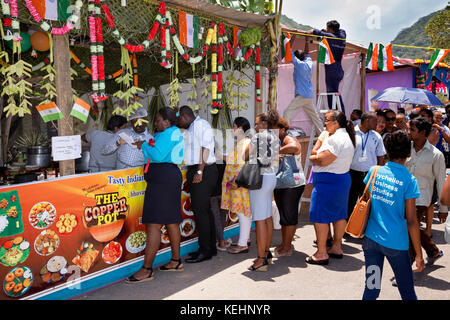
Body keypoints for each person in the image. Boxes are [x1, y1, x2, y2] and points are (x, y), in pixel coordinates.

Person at [362, 130, 424, 300]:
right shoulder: (409, 180)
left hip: (371, 241)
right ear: (409, 153)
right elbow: (411, 220)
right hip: (396, 245)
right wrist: (418, 254)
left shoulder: (374, 172)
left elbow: (366, 202)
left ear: (387, 151)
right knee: (407, 292)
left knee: (371, 288)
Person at [126, 107, 185, 283]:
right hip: (167, 178)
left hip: (162, 181)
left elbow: (158, 154)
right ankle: (175, 260)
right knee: (171, 221)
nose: (156, 123)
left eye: (159, 120)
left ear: (167, 121)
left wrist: (143, 145)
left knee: (153, 224)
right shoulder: (169, 132)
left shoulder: (169, 133)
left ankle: (146, 269)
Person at [306, 110, 355, 265]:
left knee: (319, 215)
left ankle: (321, 253)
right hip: (339, 180)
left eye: (326, 120)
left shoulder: (336, 139)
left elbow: (322, 160)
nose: (324, 123)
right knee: (339, 214)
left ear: (335, 122)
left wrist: (312, 157)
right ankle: (336, 246)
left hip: (329, 182)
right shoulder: (344, 137)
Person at [177, 106, 219, 263]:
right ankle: (209, 247)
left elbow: (206, 147)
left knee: (201, 212)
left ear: (185, 116)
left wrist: (199, 172)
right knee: (204, 211)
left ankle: (206, 250)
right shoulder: (193, 127)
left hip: (204, 170)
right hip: (199, 169)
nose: (179, 123)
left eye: (180, 120)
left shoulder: (201, 125)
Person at [405, 116, 446, 266]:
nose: (409, 132)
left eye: (412, 130)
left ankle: (407, 268)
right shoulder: (406, 148)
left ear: (423, 132)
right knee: (410, 226)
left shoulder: (436, 155)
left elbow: (441, 182)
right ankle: (433, 251)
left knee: (408, 228)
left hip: (422, 199)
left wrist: (443, 208)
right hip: (402, 196)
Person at [247, 110, 280, 271]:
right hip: (270, 176)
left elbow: (246, 155)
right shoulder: (275, 136)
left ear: (265, 124)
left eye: (257, 123)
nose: (255, 126)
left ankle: (261, 258)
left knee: (260, 218)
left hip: (259, 179)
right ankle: (266, 252)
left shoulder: (258, 137)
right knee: (267, 216)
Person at [273, 117, 306, 257]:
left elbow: (295, 147)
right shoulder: (281, 139)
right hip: (284, 183)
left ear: (281, 129)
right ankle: (284, 244)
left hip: (293, 184)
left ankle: (287, 248)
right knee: (284, 216)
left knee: (289, 216)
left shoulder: (288, 138)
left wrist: (277, 152)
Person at [221, 117, 252, 254]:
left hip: (238, 183)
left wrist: (235, 180)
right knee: (243, 211)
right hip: (238, 182)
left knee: (242, 212)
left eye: (234, 126)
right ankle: (246, 239)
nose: (232, 129)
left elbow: (241, 164)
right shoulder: (241, 142)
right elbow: (232, 159)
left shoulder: (244, 143)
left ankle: (242, 244)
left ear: (240, 128)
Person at [348, 112, 386, 219]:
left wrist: (380, 175)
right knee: (350, 202)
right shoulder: (352, 133)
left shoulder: (376, 136)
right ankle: (347, 229)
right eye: (375, 121)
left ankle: (365, 230)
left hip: (370, 176)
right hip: (352, 174)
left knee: (368, 204)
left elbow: (380, 157)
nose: (377, 124)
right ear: (367, 121)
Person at [283, 35, 323, 134]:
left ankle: (283, 134)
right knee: (315, 117)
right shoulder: (309, 63)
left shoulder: (298, 64)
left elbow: (289, 50)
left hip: (301, 95)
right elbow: (307, 53)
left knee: (287, 113)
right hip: (309, 95)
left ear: (296, 58)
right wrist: (306, 41)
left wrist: (292, 38)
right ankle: (322, 134)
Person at [307, 20, 346, 113]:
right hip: (339, 69)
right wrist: (325, 31)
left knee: (332, 95)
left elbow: (318, 32)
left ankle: (338, 115)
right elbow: (331, 33)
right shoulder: (342, 35)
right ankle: (338, 114)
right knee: (335, 93)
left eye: (328, 29)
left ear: (331, 30)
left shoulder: (332, 38)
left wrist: (315, 31)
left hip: (332, 69)